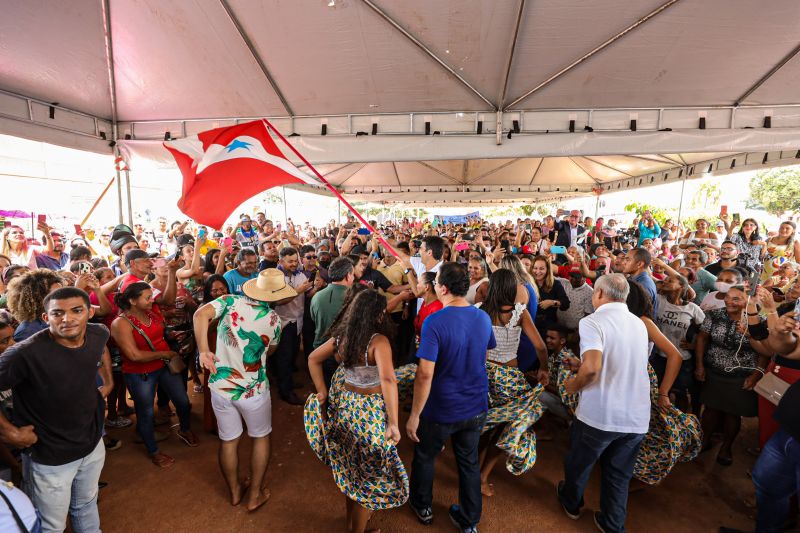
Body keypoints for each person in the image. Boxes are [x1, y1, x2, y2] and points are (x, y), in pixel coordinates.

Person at [0, 287, 112, 533]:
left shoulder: (98, 333)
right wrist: (10, 433)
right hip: (50, 455)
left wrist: (108, 382)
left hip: (92, 443)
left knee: (86, 504)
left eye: (76, 311)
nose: (67, 319)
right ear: (45, 317)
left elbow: (101, 350)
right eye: (58, 313)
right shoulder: (24, 354)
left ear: (90, 312)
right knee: (52, 525)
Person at [306, 289, 407, 533]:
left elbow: (312, 358)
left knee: (351, 472)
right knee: (366, 481)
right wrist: (394, 422)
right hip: (369, 413)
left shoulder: (341, 338)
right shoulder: (378, 342)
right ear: (378, 314)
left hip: (346, 407)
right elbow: (388, 380)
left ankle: (352, 524)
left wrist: (322, 392)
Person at [407, 262, 496, 532]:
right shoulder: (482, 317)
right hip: (476, 404)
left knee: (425, 455)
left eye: (435, 283)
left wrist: (414, 415)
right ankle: (470, 519)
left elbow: (425, 374)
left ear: (443, 288)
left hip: (441, 407)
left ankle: (422, 506)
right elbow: (484, 355)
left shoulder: (435, 321)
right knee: (468, 461)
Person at [557, 274, 650, 532]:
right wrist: (582, 364)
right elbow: (620, 362)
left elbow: (592, 370)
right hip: (636, 417)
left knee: (579, 463)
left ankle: (571, 502)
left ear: (598, 294)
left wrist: (575, 383)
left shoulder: (592, 322)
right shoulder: (639, 323)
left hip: (601, 414)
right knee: (619, 475)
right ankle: (612, 524)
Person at [194, 268, 290, 512]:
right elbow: (271, 350)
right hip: (253, 390)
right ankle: (255, 495)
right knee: (260, 437)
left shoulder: (230, 302)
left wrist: (204, 350)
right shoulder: (275, 321)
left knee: (229, 441)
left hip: (221, 387)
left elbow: (200, 315)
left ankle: (235, 491)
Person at [476, 269, 548, 497]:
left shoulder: (480, 311)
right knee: (504, 428)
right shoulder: (519, 313)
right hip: (508, 379)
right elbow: (540, 347)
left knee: (482, 426)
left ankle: (470, 471)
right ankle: (482, 477)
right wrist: (544, 368)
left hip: (483, 376)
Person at [110, 282, 198, 468]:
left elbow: (159, 334)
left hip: (164, 366)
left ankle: (185, 429)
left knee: (183, 401)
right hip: (140, 373)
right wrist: (164, 353)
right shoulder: (121, 323)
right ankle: (153, 451)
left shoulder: (151, 313)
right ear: (133, 301)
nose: (152, 300)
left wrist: (171, 335)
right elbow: (134, 355)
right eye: (148, 297)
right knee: (146, 412)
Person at [694, 284, 769, 466]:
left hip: (741, 375)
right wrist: (700, 365)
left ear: (748, 301)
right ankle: (705, 440)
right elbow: (702, 339)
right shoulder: (714, 315)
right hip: (714, 371)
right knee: (710, 410)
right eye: (728, 297)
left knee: (732, 414)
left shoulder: (758, 321)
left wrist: (756, 375)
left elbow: (765, 352)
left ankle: (726, 447)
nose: (729, 301)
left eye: (736, 299)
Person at [652, 262, 706, 412]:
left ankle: (680, 420)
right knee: (658, 392)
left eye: (670, 280)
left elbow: (705, 332)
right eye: (665, 280)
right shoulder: (658, 300)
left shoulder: (692, 309)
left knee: (680, 394)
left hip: (683, 359)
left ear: (682, 286)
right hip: (659, 356)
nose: (666, 282)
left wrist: (694, 345)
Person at [271, 247, 314, 405]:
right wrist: (298, 291)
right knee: (284, 357)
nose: (294, 264)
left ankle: (287, 380)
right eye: (290, 261)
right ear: (281, 261)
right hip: (283, 323)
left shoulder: (300, 274)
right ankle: (285, 391)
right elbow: (278, 301)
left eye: (296, 261)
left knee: (291, 356)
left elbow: (307, 293)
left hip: (298, 322)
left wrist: (316, 287)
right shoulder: (275, 277)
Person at [310, 258, 355, 387]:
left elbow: (314, 319)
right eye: (352, 274)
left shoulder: (317, 296)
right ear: (348, 276)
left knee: (327, 386)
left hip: (320, 351)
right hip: (344, 353)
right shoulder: (355, 297)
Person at [6, 269, 64, 341]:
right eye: (56, 294)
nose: (64, 297)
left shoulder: (62, 318)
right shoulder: (27, 332)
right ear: (37, 299)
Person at [531, 255, 569, 335]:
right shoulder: (528, 283)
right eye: (535, 268)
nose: (537, 271)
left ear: (547, 270)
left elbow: (566, 304)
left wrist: (552, 302)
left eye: (541, 269)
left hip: (548, 327)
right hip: (531, 324)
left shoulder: (555, 284)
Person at [623, 248, 658, 317]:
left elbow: (636, 314)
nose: (623, 262)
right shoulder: (634, 279)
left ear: (639, 264)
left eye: (627, 260)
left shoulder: (643, 285)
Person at [414, 272, 443, 345]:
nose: (416, 286)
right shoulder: (425, 302)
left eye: (418, 283)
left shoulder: (437, 309)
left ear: (426, 287)